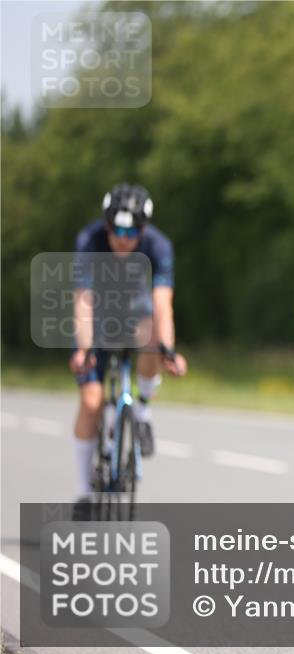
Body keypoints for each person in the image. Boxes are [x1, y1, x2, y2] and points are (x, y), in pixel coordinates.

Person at [69, 183, 187, 506]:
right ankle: (84, 492)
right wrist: (84, 349)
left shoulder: (158, 246)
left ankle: (143, 412)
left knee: (152, 337)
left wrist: (169, 349)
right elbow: (83, 299)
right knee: (92, 403)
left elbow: (163, 303)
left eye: (131, 231)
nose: (123, 237)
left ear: (144, 228)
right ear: (106, 225)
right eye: (116, 229)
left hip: (134, 317)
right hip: (94, 320)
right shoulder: (89, 241)